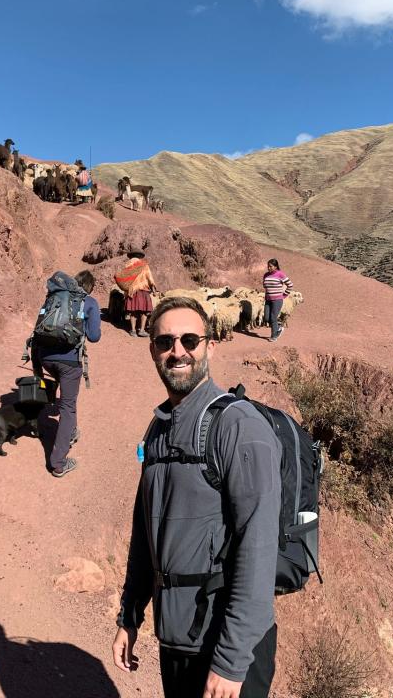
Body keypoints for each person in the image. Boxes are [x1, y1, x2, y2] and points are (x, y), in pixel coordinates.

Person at [112, 297, 282, 698]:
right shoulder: (158, 429)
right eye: (165, 341)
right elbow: (146, 534)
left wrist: (231, 660)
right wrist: (130, 615)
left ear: (211, 345)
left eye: (190, 339)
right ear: (151, 349)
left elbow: (257, 548)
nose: (178, 351)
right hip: (177, 637)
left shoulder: (239, 427)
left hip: (225, 646)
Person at [32, 269, 101, 478]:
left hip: (45, 358)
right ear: (90, 287)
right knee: (68, 407)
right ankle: (58, 463)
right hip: (69, 362)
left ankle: (70, 431)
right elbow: (94, 336)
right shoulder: (89, 302)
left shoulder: (55, 297)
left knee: (65, 400)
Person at [117, 249, 157, 338]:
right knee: (144, 311)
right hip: (143, 290)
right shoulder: (144, 265)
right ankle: (142, 330)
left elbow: (124, 278)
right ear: (140, 256)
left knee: (133, 311)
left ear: (131, 255)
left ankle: (133, 330)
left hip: (132, 291)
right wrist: (153, 289)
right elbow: (149, 277)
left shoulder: (127, 264)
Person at [261, 259, 294, 343]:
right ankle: (278, 326)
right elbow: (265, 285)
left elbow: (290, 285)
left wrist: (284, 295)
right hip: (268, 299)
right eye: (268, 266)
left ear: (275, 266)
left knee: (273, 318)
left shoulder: (280, 274)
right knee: (266, 318)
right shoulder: (266, 275)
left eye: (271, 266)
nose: (269, 268)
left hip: (277, 300)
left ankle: (274, 336)